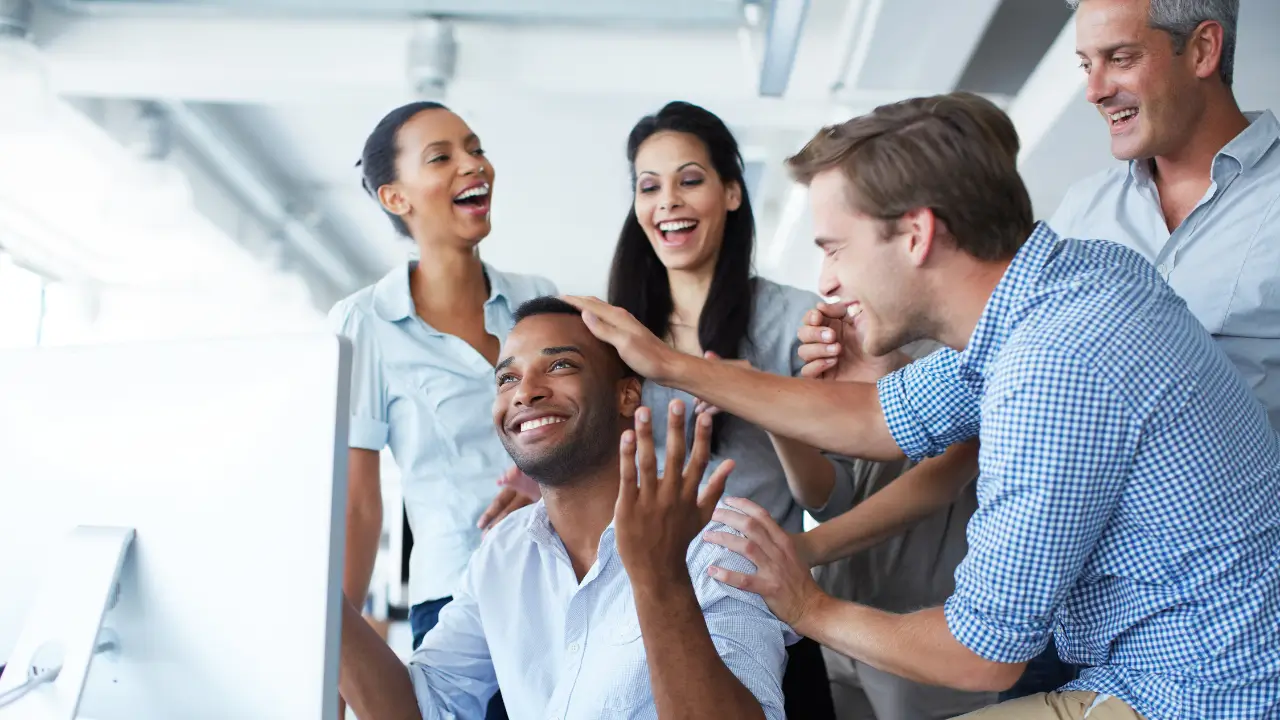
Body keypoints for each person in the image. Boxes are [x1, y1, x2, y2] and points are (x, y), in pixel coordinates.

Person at [563, 91, 1280, 720]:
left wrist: (806, 604)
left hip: (1196, 693)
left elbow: (980, 654)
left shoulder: (1052, 366)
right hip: (1155, 666)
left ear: (916, 233)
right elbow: (874, 419)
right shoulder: (1055, 290)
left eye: (836, 249)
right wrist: (671, 366)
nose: (827, 281)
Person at [608, 100, 990, 719]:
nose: (668, 201)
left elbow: (845, 490)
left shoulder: (802, 320)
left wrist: (761, 399)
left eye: (690, 179)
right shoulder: (616, 334)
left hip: (760, 596)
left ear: (732, 192)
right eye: (649, 186)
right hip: (649, 592)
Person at [336, 297, 794, 720]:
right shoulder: (502, 554)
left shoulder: (721, 537)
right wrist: (319, 596)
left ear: (627, 396)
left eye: (559, 365)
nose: (525, 392)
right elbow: (420, 708)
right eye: (507, 378)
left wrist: (659, 576)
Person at [1013, 0, 1280, 698]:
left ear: (1202, 51)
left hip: (1218, 637)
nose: (1095, 88)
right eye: (1086, 64)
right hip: (1068, 611)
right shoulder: (1079, 213)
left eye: (1120, 58)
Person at [329, 102, 555, 717]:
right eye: (442, 157)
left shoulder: (541, 301)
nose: (472, 164)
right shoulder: (363, 324)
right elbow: (356, 504)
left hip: (568, 581)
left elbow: (593, 439)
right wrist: (339, 666)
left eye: (475, 148)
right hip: (455, 600)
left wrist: (541, 483)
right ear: (395, 197)